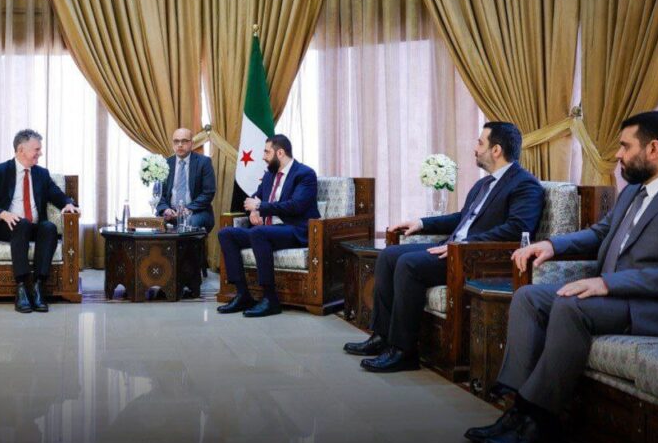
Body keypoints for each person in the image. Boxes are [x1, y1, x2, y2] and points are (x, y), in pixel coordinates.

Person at [467, 111, 658, 443]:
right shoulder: (634, 191)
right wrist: (552, 245)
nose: (617, 154)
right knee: (529, 297)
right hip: (622, 297)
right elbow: (600, 233)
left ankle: (541, 421)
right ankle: (518, 409)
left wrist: (609, 283)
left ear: (653, 149)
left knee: (571, 306)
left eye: (625, 146)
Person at [344, 122, 545, 372]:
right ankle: (382, 337)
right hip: (454, 250)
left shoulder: (525, 185)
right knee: (389, 255)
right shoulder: (484, 184)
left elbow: (518, 229)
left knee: (408, 264)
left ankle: (404, 351)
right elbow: (463, 218)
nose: (475, 148)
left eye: (480, 143)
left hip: (477, 259)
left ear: (496, 150)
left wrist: (464, 245)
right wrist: (421, 223)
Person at [0, 129, 79, 314]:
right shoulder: (1, 171)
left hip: (33, 227)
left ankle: (38, 287)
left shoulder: (41, 174)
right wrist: (2, 214)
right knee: (21, 223)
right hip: (6, 227)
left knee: (49, 227)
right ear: (21, 150)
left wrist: (68, 204)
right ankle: (22, 287)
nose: (40, 153)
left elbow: (57, 195)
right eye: (37, 149)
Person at [216, 134, 319, 318]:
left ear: (280, 153)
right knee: (226, 234)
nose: (263, 157)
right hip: (269, 231)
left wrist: (261, 207)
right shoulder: (270, 175)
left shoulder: (305, 174)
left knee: (258, 233)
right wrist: (254, 211)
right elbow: (254, 199)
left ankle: (270, 299)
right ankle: (242, 294)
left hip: (294, 230)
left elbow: (296, 206)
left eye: (267, 152)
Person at [154, 127, 217, 231]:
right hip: (170, 212)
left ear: (192, 143)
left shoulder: (204, 162)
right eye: (176, 141)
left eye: (184, 141)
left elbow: (208, 193)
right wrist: (165, 209)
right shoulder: (165, 164)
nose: (180, 145)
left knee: (189, 223)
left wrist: (187, 209)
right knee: (155, 224)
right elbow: (158, 193)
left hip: (196, 212)